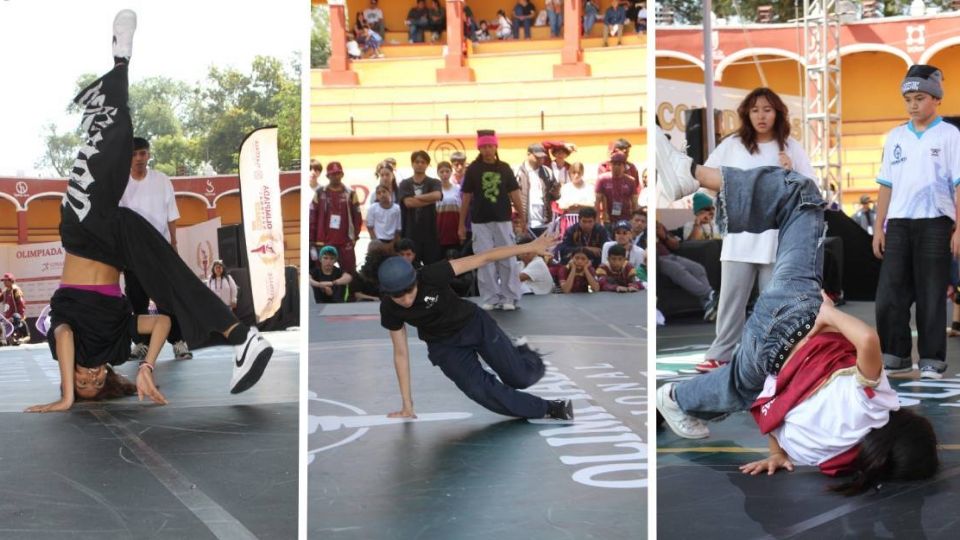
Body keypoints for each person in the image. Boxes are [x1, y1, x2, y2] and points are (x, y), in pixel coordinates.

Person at [655, 127, 938, 494]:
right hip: (767, 360)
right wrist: (776, 453)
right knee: (741, 385)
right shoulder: (817, 458)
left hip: (798, 317)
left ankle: (693, 175)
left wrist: (828, 313)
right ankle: (677, 398)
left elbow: (868, 340)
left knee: (801, 193)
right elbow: (772, 413)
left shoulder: (875, 409)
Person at [26, 11, 272, 413]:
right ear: (108, 376)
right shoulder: (118, 346)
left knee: (112, 141)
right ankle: (242, 336)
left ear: (68, 375)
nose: (88, 375)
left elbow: (66, 333)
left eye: (80, 381)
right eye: (95, 381)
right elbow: (160, 323)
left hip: (82, 233)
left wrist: (67, 398)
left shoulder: (63, 346)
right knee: (171, 276)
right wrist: (147, 365)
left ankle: (120, 61)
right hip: (116, 243)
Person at [377, 232, 574, 421]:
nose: (405, 299)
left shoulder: (431, 275)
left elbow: (484, 258)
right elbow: (400, 354)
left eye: (409, 290)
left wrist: (531, 246)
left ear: (415, 279)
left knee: (519, 378)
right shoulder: (389, 308)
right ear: (388, 294)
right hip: (443, 346)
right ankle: (549, 409)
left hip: (473, 324)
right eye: (398, 295)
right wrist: (407, 403)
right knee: (479, 390)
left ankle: (526, 353)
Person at [693, 87, 815, 374]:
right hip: (739, 238)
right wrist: (728, 198)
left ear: (778, 114)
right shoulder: (732, 145)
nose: (761, 116)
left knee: (773, 302)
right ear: (747, 113)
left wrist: (792, 169)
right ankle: (720, 354)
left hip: (776, 239)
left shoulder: (791, 147)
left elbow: (811, 189)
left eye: (767, 109)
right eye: (756, 109)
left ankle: (775, 355)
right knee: (731, 300)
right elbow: (708, 179)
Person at [873, 64, 960, 379]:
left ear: (936, 98)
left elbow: (958, 183)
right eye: (908, 97)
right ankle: (894, 355)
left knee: (931, 294)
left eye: (920, 97)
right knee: (889, 296)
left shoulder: (950, 135)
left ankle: (932, 360)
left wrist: (958, 228)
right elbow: (886, 184)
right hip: (897, 224)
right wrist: (878, 227)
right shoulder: (896, 136)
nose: (913, 104)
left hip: (935, 223)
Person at [122, 136, 192, 361]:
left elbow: (172, 214)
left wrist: (174, 244)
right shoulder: (120, 184)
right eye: (134, 155)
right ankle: (140, 344)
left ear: (149, 155)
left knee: (167, 298)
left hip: (160, 250)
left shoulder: (162, 180)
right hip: (133, 252)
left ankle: (179, 342)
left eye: (142, 153)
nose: (139, 158)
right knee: (136, 299)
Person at [459, 130, 525, 311]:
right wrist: (461, 224)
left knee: (507, 259)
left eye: (490, 146)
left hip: (503, 219)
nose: (487, 150)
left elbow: (515, 193)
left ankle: (510, 296)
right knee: (484, 259)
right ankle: (490, 297)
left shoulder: (504, 168)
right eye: (483, 147)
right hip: (480, 221)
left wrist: (522, 216)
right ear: (479, 149)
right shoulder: (473, 169)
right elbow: (466, 197)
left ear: (496, 147)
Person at [657, 221, 717, 321]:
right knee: (676, 268)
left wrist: (664, 236)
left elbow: (675, 245)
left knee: (698, 268)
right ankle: (710, 294)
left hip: (669, 255)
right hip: (657, 259)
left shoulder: (658, 226)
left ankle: (707, 305)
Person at [310, 161, 362, 274]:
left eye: (338, 173)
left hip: (345, 243)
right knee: (323, 275)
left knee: (349, 274)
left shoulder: (351, 194)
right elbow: (312, 217)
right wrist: (312, 240)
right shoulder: (320, 193)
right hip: (324, 242)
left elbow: (357, 217)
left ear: (342, 174)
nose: (336, 176)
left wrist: (354, 238)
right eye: (333, 174)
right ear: (328, 176)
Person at [399, 150, 443, 265]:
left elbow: (437, 195)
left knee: (431, 268)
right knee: (411, 268)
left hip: (430, 233)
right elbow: (409, 203)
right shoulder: (405, 183)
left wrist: (416, 197)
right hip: (410, 233)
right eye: (417, 162)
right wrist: (430, 199)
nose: (420, 164)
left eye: (423, 162)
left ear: (427, 165)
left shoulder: (434, 182)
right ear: (412, 164)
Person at [517, 143, 560, 236]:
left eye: (542, 157)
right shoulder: (518, 172)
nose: (540, 159)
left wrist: (557, 191)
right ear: (529, 154)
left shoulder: (547, 172)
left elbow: (554, 196)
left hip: (544, 221)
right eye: (537, 157)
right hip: (525, 221)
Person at [595, 153, 640, 228]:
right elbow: (597, 202)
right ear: (610, 165)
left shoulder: (631, 181)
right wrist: (598, 221)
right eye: (614, 164)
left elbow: (634, 203)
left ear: (624, 166)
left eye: (619, 164)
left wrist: (634, 220)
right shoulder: (602, 179)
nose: (616, 167)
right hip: (608, 220)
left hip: (626, 219)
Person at [436, 161, 462, 256]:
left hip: (455, 228)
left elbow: (462, 209)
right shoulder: (435, 191)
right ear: (438, 173)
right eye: (442, 172)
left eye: (447, 171)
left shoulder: (458, 189)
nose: (444, 174)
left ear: (451, 172)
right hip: (440, 229)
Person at [367, 184, 402, 249]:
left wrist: (392, 244)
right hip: (378, 241)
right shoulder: (373, 208)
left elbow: (398, 229)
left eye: (384, 192)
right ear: (376, 196)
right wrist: (376, 242)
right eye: (379, 193)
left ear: (390, 192)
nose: (382, 195)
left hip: (392, 241)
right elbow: (370, 227)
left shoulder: (397, 208)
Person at [2, 273, 27, 346]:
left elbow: (21, 304)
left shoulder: (16, 290)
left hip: (15, 320)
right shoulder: (5, 291)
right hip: (7, 320)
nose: (4, 282)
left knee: (16, 341)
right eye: (3, 280)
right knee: (8, 341)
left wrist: (20, 318)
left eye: (6, 280)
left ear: (11, 280)